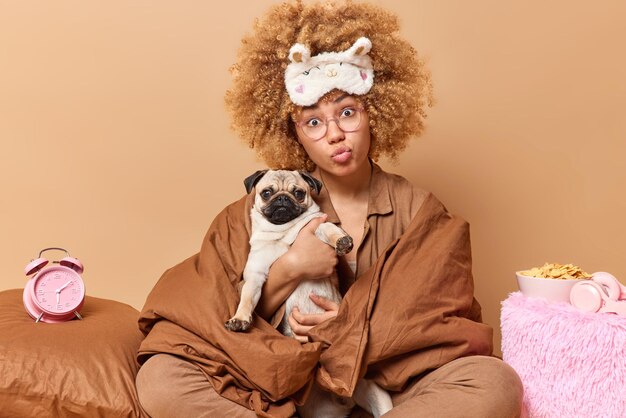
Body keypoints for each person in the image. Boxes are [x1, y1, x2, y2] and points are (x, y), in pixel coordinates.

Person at [135, 1, 524, 417]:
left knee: (492, 381)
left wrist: (347, 324)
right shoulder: (256, 209)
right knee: (162, 378)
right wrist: (290, 270)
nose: (336, 133)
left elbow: (437, 313)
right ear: (293, 134)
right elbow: (211, 310)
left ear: (374, 114)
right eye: (314, 122)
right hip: (276, 379)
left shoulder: (419, 209)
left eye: (347, 112)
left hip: (386, 382)